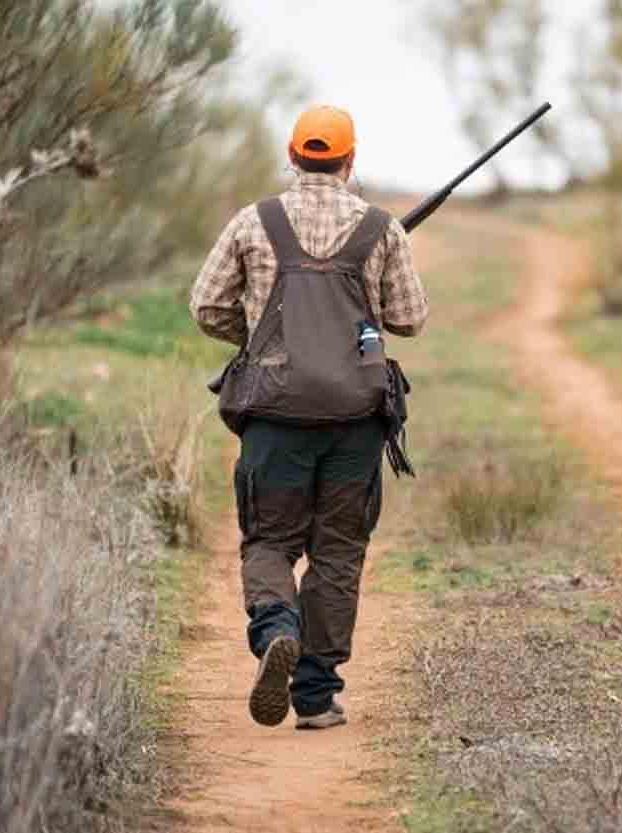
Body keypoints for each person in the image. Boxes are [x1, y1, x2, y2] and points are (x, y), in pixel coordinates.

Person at [189, 105, 428, 729]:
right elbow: (410, 318)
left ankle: (275, 631)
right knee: (339, 550)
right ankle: (316, 697)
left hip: (274, 417)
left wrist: (265, 340)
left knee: (270, 539)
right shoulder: (380, 228)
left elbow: (207, 306)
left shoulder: (253, 221)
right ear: (351, 162)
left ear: (293, 157)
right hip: (355, 420)